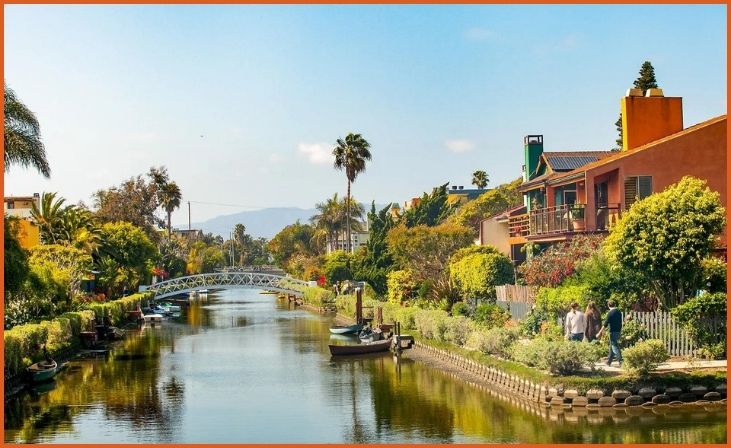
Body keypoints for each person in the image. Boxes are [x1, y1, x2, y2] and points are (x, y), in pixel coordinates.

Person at [597, 299, 622, 366]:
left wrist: (599, 333)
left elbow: (605, 324)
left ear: (608, 306)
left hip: (613, 331)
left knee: (615, 346)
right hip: (618, 331)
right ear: (615, 305)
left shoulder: (610, 313)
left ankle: (621, 361)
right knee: (612, 346)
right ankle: (609, 362)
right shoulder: (618, 312)